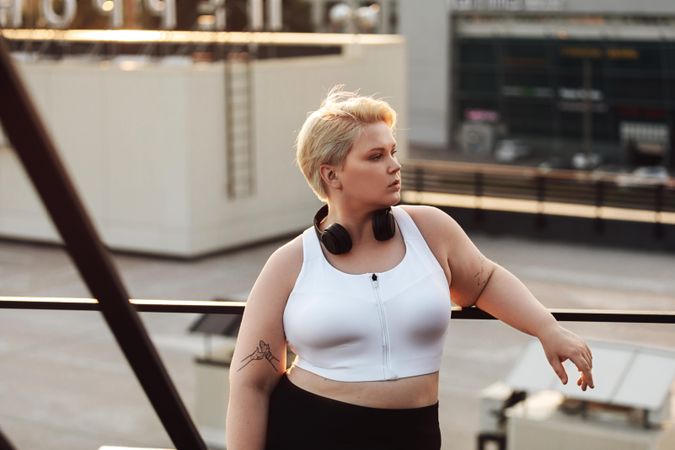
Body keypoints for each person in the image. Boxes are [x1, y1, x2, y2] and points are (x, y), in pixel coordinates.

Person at [225, 87, 595, 450]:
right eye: (375, 156)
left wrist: (547, 328)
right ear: (331, 175)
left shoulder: (431, 231)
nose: (394, 165)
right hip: (308, 431)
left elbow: (485, 281)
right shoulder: (289, 263)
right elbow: (250, 383)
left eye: (393, 152)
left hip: (412, 435)